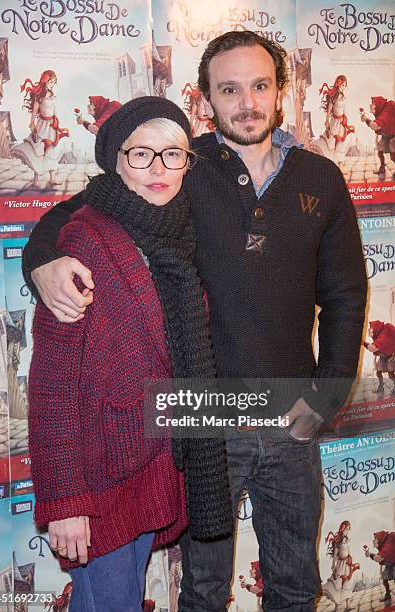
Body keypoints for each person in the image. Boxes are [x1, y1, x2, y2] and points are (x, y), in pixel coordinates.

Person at [22, 31, 367, 611]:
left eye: (260, 86)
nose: (247, 102)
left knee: (296, 584)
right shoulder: (185, 166)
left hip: (292, 413)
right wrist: (43, 263)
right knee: (203, 590)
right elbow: (79, 210)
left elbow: (346, 296)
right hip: (203, 417)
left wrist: (326, 398)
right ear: (206, 99)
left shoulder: (321, 179)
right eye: (228, 89)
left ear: (281, 93)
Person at [27, 97, 231, 612]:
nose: (158, 168)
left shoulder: (180, 231)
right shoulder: (84, 240)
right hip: (98, 487)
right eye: (141, 154)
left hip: (154, 469)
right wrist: (65, 502)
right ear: (115, 160)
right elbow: (53, 387)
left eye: (173, 154)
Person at [11, 70, 69, 188]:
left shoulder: (53, 96)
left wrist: (58, 125)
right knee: (38, 150)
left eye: (54, 82)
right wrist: (32, 123)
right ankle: (36, 178)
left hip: (52, 126)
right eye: (51, 82)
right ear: (44, 81)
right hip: (42, 125)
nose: (52, 84)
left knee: (51, 150)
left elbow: (55, 110)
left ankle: (52, 178)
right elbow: (35, 111)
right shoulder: (39, 96)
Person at [323, 521, 360, 610]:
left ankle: (348, 605)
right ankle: (336, 607)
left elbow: (349, 552)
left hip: (347, 564)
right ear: (342, 529)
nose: (347, 531)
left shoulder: (348, 540)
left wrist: (351, 562)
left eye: (348, 530)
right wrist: (333, 566)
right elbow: (335, 556)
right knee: (338, 584)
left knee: (347, 584)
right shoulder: (337, 541)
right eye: (346, 529)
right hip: (340, 564)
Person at [360, 97, 395, 178]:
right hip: (386, 135)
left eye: (373, 103)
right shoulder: (381, 111)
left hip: (393, 135)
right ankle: (382, 168)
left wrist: (366, 120)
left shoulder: (386, 112)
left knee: (393, 156)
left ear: (378, 104)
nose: (370, 105)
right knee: (380, 151)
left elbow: (376, 126)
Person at [319, 75, 354, 155]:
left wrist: (346, 120)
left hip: (342, 122)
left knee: (341, 141)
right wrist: (327, 121)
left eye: (345, 85)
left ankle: (338, 159)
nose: (343, 87)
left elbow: (345, 110)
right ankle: (331, 157)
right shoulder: (333, 97)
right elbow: (329, 111)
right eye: (342, 85)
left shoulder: (344, 97)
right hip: (334, 121)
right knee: (331, 139)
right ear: (338, 84)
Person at [363, 320, 395, 396]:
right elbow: (377, 347)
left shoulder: (384, 334)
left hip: (390, 357)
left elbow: (372, 348)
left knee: (391, 375)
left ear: (375, 328)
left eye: (370, 328)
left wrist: (363, 342)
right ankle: (381, 385)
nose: (369, 329)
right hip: (383, 357)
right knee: (378, 372)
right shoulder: (379, 335)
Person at [364, 531, 395, 603]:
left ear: (380, 538)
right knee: (385, 578)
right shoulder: (384, 543)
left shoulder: (388, 544)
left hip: (393, 562)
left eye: (375, 539)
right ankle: (388, 595)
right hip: (390, 562)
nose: (374, 540)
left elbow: (379, 558)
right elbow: (382, 557)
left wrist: (370, 554)